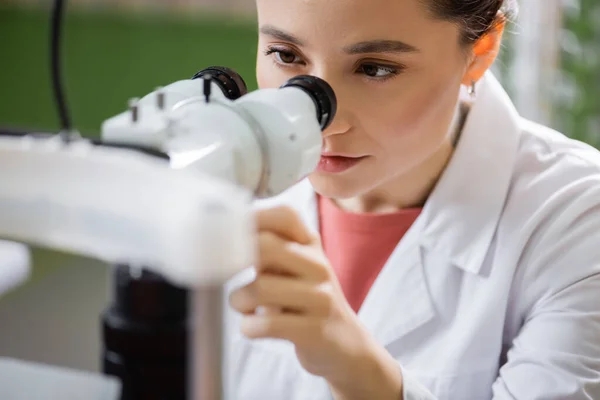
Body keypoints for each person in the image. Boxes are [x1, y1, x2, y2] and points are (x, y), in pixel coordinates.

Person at [225, 0, 600, 399]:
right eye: (286, 56)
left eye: (375, 68)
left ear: (482, 50)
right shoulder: (219, 179)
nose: (325, 122)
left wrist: (357, 369)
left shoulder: (577, 219)